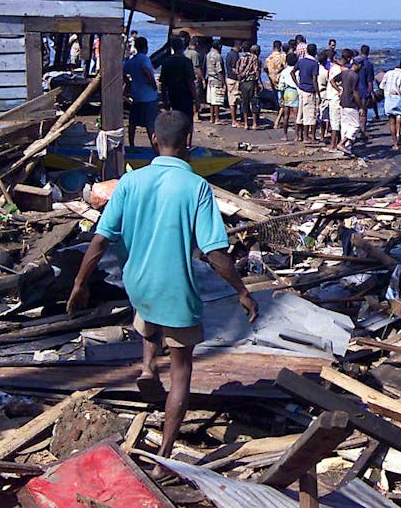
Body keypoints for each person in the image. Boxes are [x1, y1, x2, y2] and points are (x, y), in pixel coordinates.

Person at [68, 110, 259, 479]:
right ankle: (165, 459)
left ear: (154, 140)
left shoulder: (129, 182)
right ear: (188, 141)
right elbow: (215, 251)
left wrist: (80, 283)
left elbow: (99, 240)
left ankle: (145, 365)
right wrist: (242, 291)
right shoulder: (197, 188)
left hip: (137, 283)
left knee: (148, 310)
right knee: (182, 372)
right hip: (174, 290)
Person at [159, 36, 198, 148]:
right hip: (185, 95)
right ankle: (187, 145)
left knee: (176, 120)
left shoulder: (166, 62)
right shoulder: (186, 62)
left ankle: (177, 143)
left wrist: (164, 99)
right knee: (188, 120)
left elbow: (163, 83)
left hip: (173, 94)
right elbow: (191, 82)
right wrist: (196, 98)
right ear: (182, 47)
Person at [124, 36, 159, 148]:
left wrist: (128, 83)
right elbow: (146, 70)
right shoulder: (144, 59)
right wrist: (153, 84)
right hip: (148, 96)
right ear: (145, 47)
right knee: (150, 124)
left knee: (133, 123)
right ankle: (154, 147)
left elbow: (123, 72)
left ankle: (132, 145)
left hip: (137, 95)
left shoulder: (132, 60)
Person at [380, 57, 401, 151]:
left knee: (391, 121)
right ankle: (400, 137)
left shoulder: (388, 73)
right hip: (397, 99)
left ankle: (395, 143)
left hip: (388, 98)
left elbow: (381, 86)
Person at [295, 43, 321, 144]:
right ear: (314, 52)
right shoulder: (314, 64)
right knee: (311, 115)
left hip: (302, 89)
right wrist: (318, 93)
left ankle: (302, 136)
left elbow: (293, 72)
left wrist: (298, 84)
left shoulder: (301, 61)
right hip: (309, 90)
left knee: (301, 113)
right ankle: (310, 137)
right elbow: (315, 80)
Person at [338, 59, 362, 156]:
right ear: (358, 65)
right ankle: (342, 143)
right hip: (351, 103)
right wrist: (360, 105)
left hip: (343, 102)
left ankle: (346, 147)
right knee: (355, 126)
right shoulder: (355, 76)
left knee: (345, 126)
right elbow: (355, 92)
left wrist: (339, 90)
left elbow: (332, 80)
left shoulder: (344, 73)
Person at [237, 44, 262, 130]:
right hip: (252, 82)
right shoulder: (254, 58)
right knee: (254, 102)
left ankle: (246, 124)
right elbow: (256, 70)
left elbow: (237, 71)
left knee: (244, 102)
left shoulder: (241, 58)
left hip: (243, 83)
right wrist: (259, 81)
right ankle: (255, 124)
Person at [356, 44, 378, 137]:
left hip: (355, 89)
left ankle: (356, 130)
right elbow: (370, 80)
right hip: (364, 90)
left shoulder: (355, 61)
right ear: (368, 53)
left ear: (361, 51)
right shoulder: (369, 64)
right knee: (364, 111)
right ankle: (363, 131)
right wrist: (371, 92)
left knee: (355, 111)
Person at [277, 52, 300, 141]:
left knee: (286, 115)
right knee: (296, 116)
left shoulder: (284, 71)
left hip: (287, 92)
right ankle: (297, 136)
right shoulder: (297, 71)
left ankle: (285, 135)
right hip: (295, 92)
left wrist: (281, 97)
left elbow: (281, 85)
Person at [324, 51, 344, 150]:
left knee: (334, 120)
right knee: (336, 122)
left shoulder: (332, 67)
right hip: (335, 97)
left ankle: (335, 143)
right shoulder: (337, 69)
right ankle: (333, 145)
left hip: (331, 96)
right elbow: (333, 81)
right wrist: (339, 90)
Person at [184, 37, 204, 122]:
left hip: (186, 77)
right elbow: (197, 67)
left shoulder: (185, 52)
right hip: (194, 78)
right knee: (196, 96)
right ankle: (196, 115)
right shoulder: (194, 54)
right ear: (197, 44)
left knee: (188, 96)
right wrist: (202, 79)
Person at [205, 40, 226, 125]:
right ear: (219, 46)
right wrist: (223, 81)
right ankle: (217, 118)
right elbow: (219, 70)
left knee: (211, 100)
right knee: (216, 100)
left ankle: (211, 117)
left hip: (210, 79)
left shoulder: (208, 54)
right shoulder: (217, 56)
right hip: (216, 79)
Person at [224, 43, 243, 128]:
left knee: (232, 100)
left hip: (229, 78)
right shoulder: (235, 55)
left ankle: (234, 119)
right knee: (234, 100)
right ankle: (234, 120)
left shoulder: (229, 54)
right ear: (238, 46)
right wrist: (241, 75)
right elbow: (234, 68)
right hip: (234, 79)